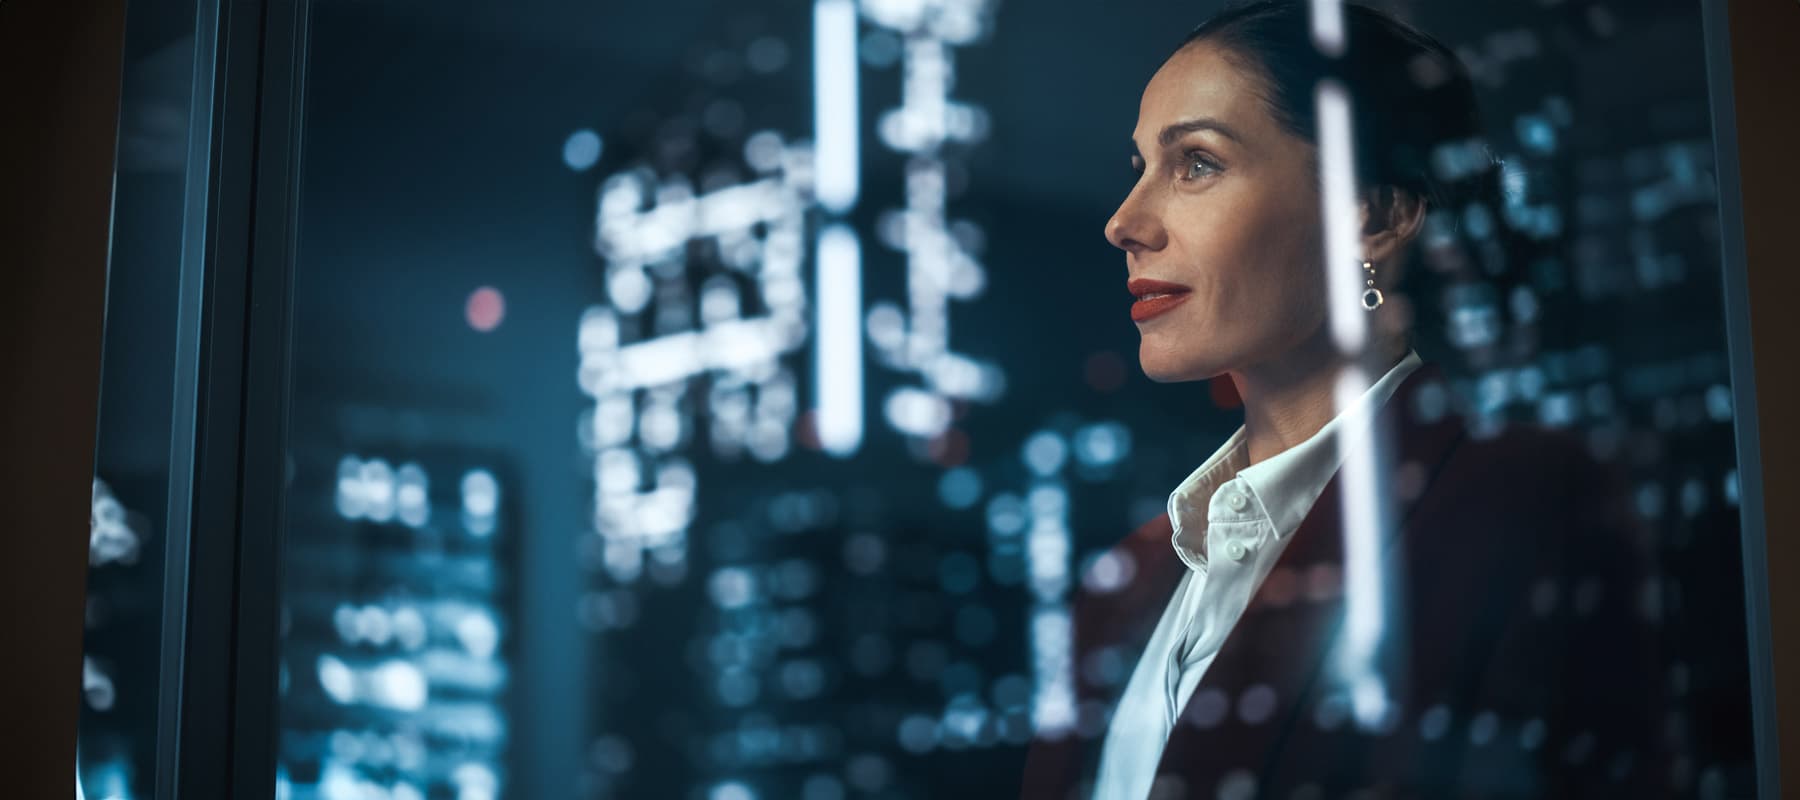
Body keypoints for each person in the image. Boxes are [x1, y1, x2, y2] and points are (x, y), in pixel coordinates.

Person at [1017, 2, 1666, 797]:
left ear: (1375, 215)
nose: (1125, 222)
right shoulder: (1130, 581)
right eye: (1139, 167)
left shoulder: (1519, 510)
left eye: (1196, 163)